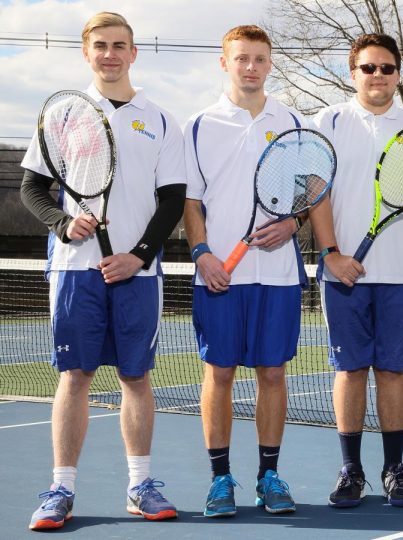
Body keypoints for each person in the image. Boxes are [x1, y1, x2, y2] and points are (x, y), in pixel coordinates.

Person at [20, 11, 185, 530]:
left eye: (120, 45)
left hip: (136, 273)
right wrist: (61, 223)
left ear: (134, 53)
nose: (110, 54)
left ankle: (140, 485)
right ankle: (61, 488)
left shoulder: (161, 119)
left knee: (136, 377)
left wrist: (140, 253)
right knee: (75, 376)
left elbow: (173, 200)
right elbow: (33, 189)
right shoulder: (62, 115)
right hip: (75, 271)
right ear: (86, 53)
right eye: (100, 46)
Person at [309, 33, 403, 508]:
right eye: (369, 68)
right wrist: (331, 254)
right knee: (349, 370)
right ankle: (351, 470)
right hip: (342, 272)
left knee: (391, 371)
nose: (378, 76)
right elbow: (316, 194)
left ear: (398, 74)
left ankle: (394, 469)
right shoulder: (326, 122)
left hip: (400, 274)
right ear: (354, 73)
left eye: (387, 68)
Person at [183, 25, 307, 518]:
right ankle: (219, 480)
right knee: (220, 372)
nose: (250, 66)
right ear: (224, 62)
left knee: (273, 372)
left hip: (278, 273)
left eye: (259, 58)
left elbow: (312, 188)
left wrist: (294, 222)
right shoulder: (197, 124)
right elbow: (191, 202)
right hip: (220, 274)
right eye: (242, 58)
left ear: (270, 63)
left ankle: (269, 476)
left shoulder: (294, 119)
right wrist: (202, 254)